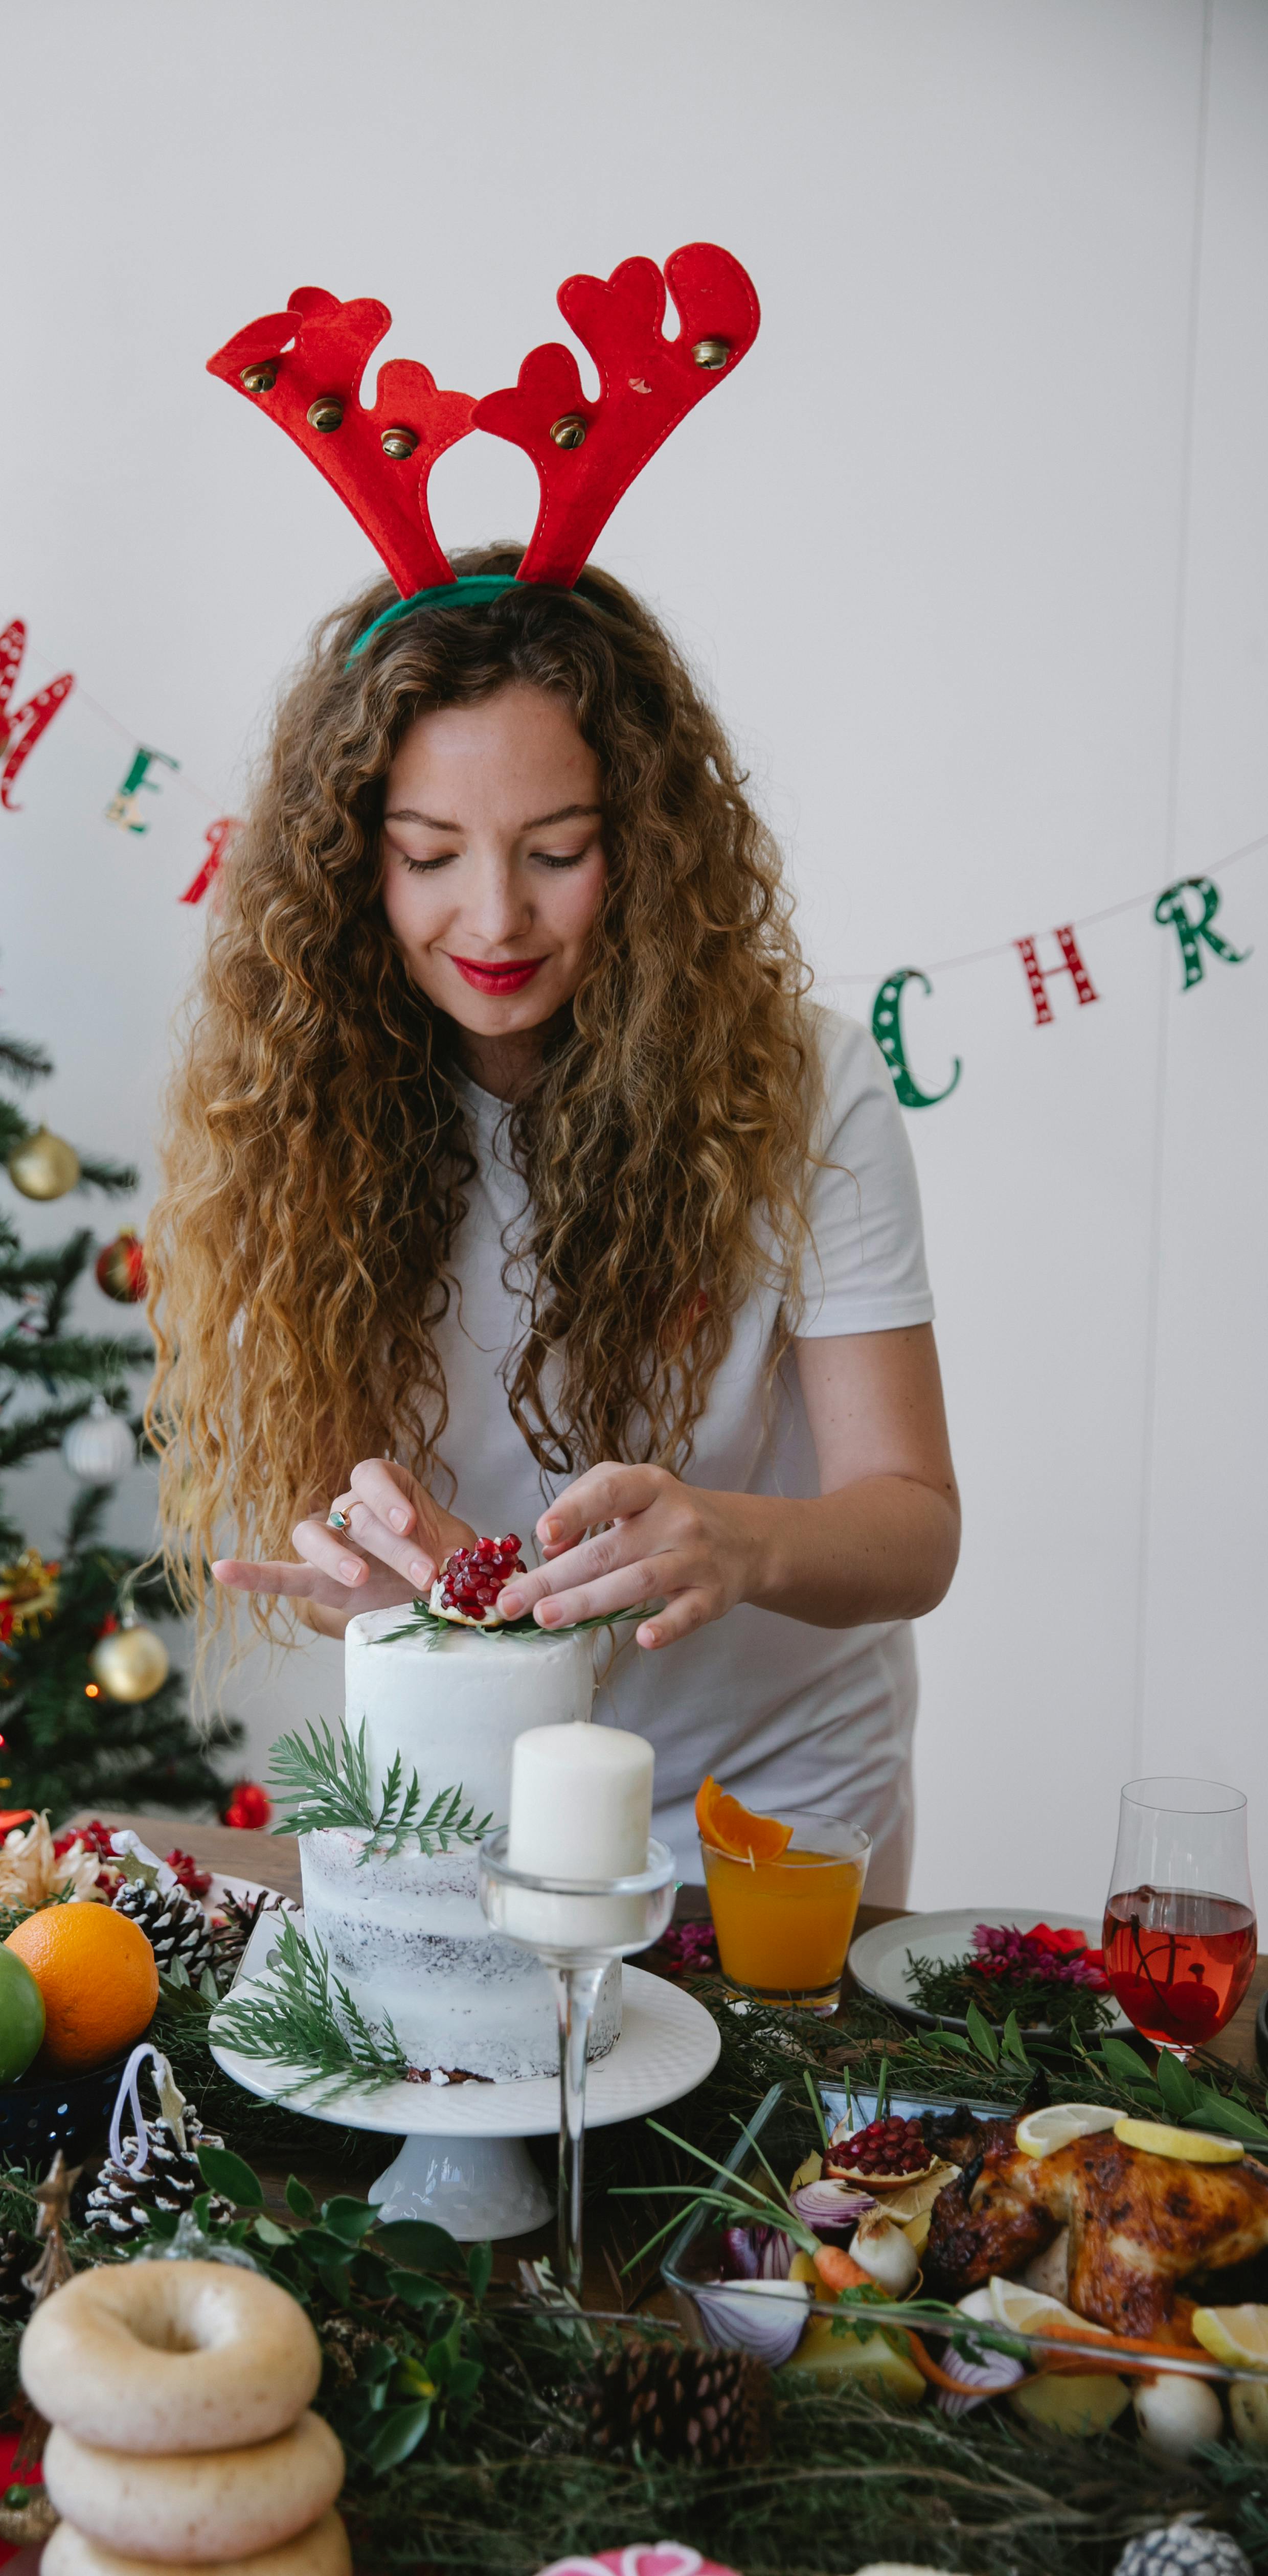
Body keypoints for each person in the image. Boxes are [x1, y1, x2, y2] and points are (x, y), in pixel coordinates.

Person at [147, 547, 958, 1901]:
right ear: (356, 866)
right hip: (465, 1782)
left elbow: (916, 1527)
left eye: (558, 853)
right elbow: (372, 1514)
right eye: (428, 857)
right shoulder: (301, 1106)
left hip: (768, 1810)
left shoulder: (808, 1088)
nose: (496, 918)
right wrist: (387, 1576)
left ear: (644, 846)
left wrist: (736, 1541)